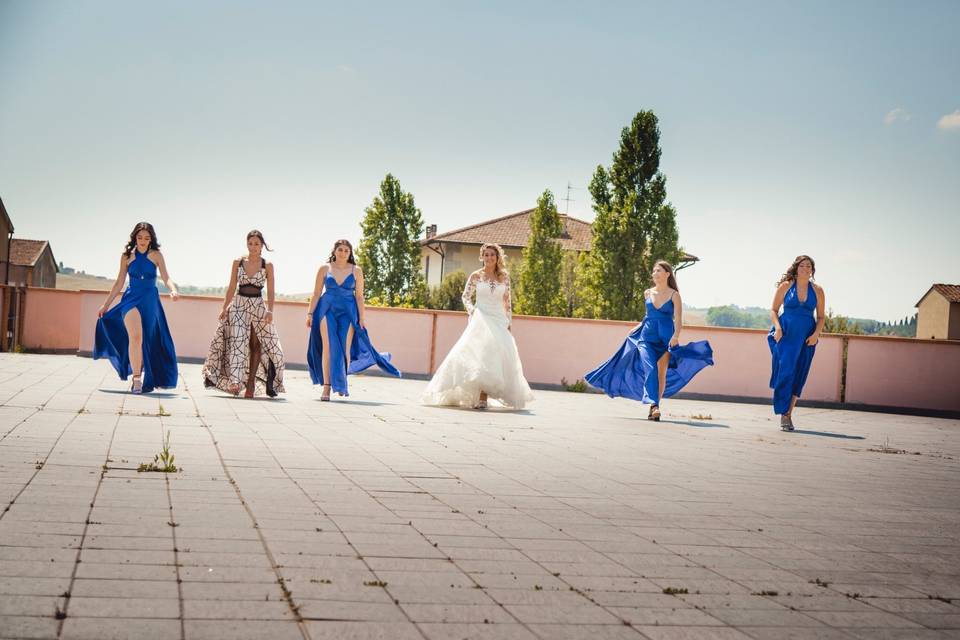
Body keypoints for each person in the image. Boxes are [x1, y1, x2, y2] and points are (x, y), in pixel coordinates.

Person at [585, 260, 713, 420]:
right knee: (650, 368)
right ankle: (654, 405)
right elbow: (648, 317)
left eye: (658, 270)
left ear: (667, 273)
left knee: (661, 374)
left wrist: (676, 336)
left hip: (666, 339)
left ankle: (655, 407)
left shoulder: (674, 295)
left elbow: (678, 319)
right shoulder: (647, 293)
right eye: (654, 271)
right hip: (646, 338)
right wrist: (638, 326)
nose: (655, 274)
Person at [422, 242, 533, 410]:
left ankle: (484, 396)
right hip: (480, 317)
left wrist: (509, 322)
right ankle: (479, 396)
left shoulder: (504, 277)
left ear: (497, 257)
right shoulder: (476, 276)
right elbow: (465, 297)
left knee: (495, 356)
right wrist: (472, 311)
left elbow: (507, 302)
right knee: (479, 355)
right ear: (482, 257)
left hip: (498, 320)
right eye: (486, 255)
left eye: (492, 255)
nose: (489, 258)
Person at [306, 239, 400, 400]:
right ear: (334, 251)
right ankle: (327, 388)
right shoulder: (324, 268)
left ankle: (341, 383)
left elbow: (360, 296)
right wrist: (309, 314)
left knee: (344, 347)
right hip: (326, 309)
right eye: (340, 249)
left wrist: (362, 318)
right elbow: (316, 294)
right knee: (328, 347)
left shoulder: (356, 270)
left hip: (348, 312)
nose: (343, 253)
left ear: (350, 253)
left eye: (346, 250)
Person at [94, 222, 179, 394]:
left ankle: (143, 374)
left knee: (147, 340)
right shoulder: (126, 256)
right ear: (134, 237)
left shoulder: (156, 255)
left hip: (150, 300)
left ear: (151, 239)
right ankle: (137, 379)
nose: (142, 241)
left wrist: (173, 290)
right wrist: (106, 304)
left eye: (147, 238)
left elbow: (166, 277)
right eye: (139, 237)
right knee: (136, 337)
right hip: (130, 299)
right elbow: (119, 282)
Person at [202, 230, 285, 398]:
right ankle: (235, 381)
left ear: (262, 245)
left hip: (258, 307)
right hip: (239, 305)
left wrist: (270, 311)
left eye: (256, 244)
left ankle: (252, 383)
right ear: (247, 244)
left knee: (259, 345)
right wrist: (224, 308)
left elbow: (271, 290)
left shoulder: (267, 265)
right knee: (237, 342)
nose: (253, 247)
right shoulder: (238, 262)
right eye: (250, 243)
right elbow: (232, 286)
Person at [769, 255, 825, 431]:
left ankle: (787, 415)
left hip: (807, 337)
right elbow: (773, 310)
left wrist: (816, 334)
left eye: (809, 266)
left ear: (812, 270)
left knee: (799, 373)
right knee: (786, 372)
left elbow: (822, 317)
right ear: (796, 268)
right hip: (786, 334)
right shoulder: (786, 286)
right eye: (803, 265)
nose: (806, 269)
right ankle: (783, 411)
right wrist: (778, 328)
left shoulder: (818, 290)